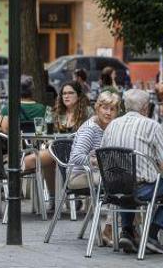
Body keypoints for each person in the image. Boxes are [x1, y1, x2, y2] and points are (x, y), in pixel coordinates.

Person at [100, 89, 163, 254]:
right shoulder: (152, 126)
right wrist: (152, 166)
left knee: (126, 183)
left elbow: (103, 156)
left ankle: (127, 232)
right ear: (145, 107)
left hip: (113, 189)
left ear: (124, 105)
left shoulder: (112, 125)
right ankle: (151, 234)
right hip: (140, 189)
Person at [0, 86, 58, 199]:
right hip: (11, 166)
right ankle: (56, 198)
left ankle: (54, 199)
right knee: (53, 153)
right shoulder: (3, 122)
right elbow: (17, 146)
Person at [68, 91, 120, 246]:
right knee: (116, 183)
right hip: (77, 176)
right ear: (97, 108)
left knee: (125, 180)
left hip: (97, 174)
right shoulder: (90, 129)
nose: (108, 112)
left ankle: (127, 230)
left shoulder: (111, 127)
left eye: (112, 109)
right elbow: (76, 157)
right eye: (105, 108)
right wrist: (98, 162)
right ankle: (110, 230)